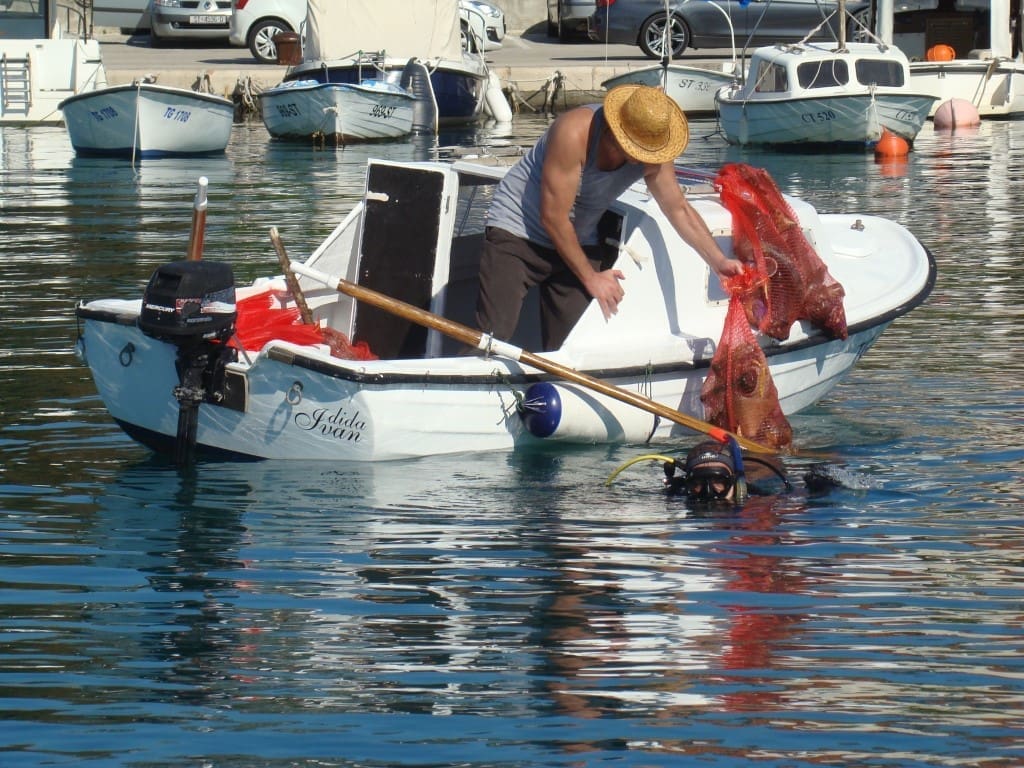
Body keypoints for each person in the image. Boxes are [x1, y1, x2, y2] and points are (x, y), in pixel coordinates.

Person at [476, 84, 745, 351]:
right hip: (518, 230)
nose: (648, 159)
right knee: (493, 335)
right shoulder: (573, 132)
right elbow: (554, 218)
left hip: (578, 239)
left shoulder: (655, 154)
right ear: (614, 133)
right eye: (640, 150)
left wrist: (718, 260)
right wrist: (591, 278)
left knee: (578, 343)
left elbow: (678, 208)